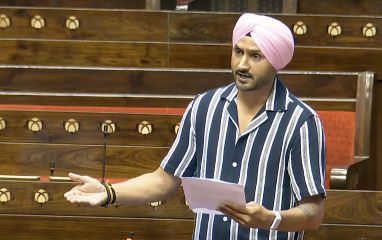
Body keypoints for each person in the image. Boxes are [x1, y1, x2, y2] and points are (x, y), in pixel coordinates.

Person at [65, 13, 326, 240]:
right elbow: (164, 181)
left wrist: (272, 219)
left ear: (276, 61)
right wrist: (108, 192)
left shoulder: (301, 122)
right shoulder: (204, 107)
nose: (242, 65)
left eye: (255, 56)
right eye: (238, 52)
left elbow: (313, 213)